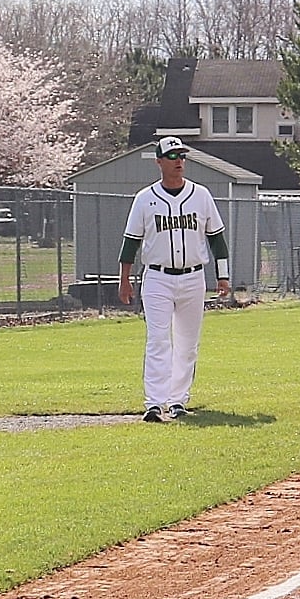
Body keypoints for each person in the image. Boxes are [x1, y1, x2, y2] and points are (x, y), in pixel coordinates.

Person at [117, 137, 231, 423]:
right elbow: (130, 242)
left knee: (187, 343)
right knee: (158, 339)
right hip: (157, 277)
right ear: (159, 162)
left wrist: (223, 275)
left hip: (193, 277)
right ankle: (154, 403)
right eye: (171, 156)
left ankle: (178, 400)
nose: (178, 161)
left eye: (181, 155)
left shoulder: (201, 195)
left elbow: (216, 238)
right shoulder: (145, 198)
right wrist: (124, 279)